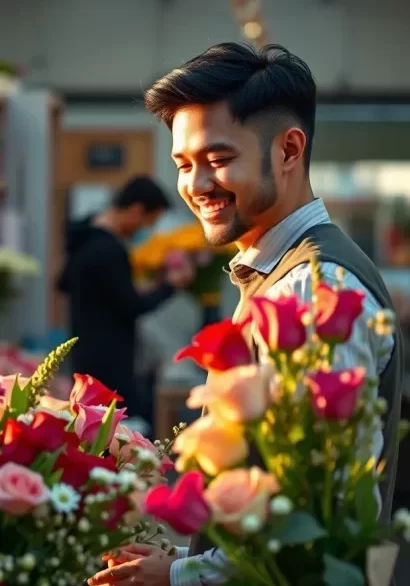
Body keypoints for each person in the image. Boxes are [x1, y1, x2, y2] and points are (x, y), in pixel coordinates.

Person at [87, 43, 404, 586]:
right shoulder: (278, 271)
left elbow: (319, 525)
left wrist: (180, 577)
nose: (197, 185)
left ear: (288, 149)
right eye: (184, 165)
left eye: (218, 160)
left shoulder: (314, 289)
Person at [58, 176, 193, 418]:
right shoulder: (108, 248)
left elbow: (69, 284)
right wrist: (170, 286)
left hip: (85, 352)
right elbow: (132, 306)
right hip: (109, 358)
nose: (146, 231)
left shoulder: (85, 237)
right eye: (148, 222)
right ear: (136, 210)